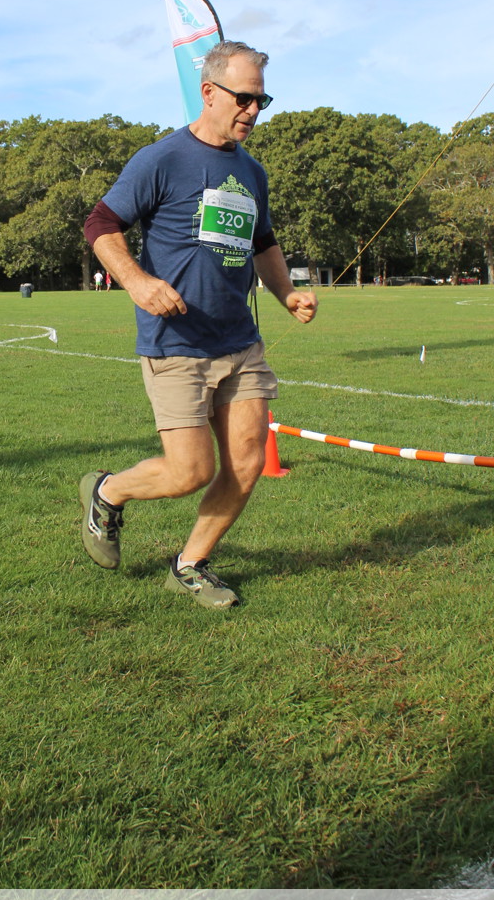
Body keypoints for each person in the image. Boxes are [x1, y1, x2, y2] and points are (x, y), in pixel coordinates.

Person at [80, 40, 317, 609]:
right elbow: (100, 224)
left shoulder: (252, 171)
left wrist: (286, 293)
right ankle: (108, 491)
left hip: (240, 342)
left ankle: (190, 564)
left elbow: (263, 242)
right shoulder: (161, 159)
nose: (253, 111)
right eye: (244, 98)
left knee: (247, 463)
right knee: (189, 471)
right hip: (176, 343)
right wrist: (139, 282)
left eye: (261, 101)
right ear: (209, 92)